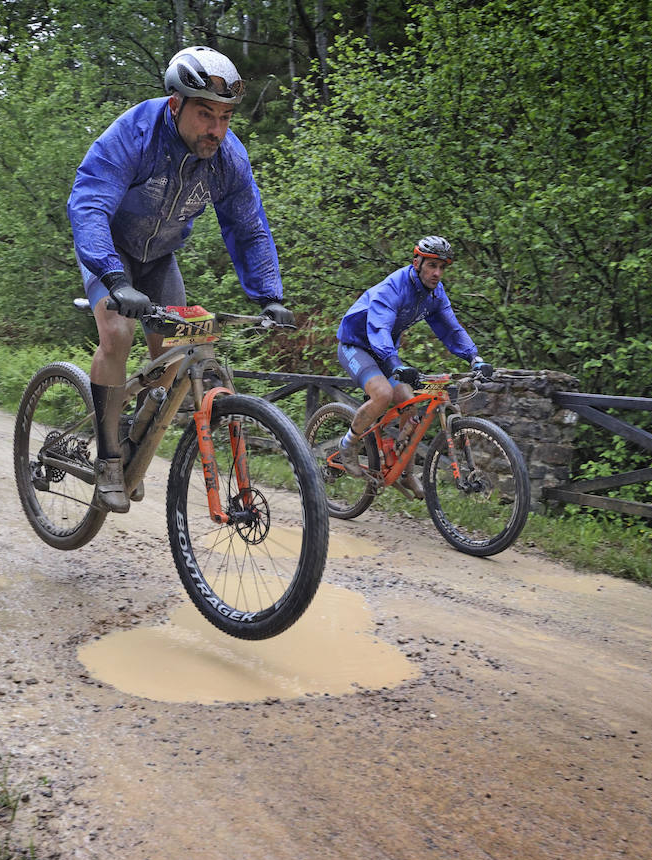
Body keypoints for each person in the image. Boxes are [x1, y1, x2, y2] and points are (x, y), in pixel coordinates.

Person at [67, 45, 294, 514]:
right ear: (176, 105)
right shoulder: (134, 134)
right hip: (109, 252)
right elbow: (88, 203)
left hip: (159, 258)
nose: (216, 129)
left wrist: (269, 295)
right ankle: (109, 460)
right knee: (118, 333)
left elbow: (249, 227)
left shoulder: (228, 157)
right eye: (206, 114)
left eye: (226, 117)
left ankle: (134, 443)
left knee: (172, 356)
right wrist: (112, 277)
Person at [333, 235, 494, 498]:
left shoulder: (434, 294)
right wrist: (395, 363)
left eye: (442, 267)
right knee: (383, 393)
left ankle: (404, 473)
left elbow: (451, 330)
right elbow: (380, 327)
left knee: (410, 402)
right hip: (356, 345)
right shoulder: (393, 288)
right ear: (416, 262)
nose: (437, 273)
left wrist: (475, 358)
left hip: (384, 350)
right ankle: (347, 444)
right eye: (432, 265)